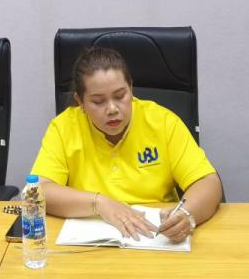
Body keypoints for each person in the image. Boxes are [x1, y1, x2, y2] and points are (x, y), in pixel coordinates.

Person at [31, 47, 222, 244]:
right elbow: (39, 190)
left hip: (156, 239)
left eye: (120, 95)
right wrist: (100, 203)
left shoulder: (163, 122)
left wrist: (186, 214)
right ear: (80, 102)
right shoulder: (64, 127)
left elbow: (208, 182)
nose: (112, 109)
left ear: (131, 88)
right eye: (98, 101)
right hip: (91, 244)